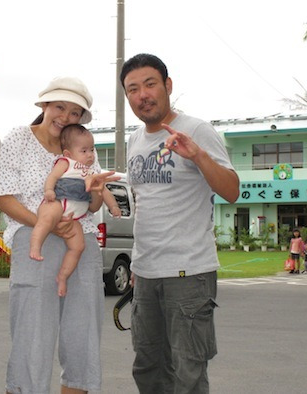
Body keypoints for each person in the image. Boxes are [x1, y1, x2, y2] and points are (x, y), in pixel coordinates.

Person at [0, 76, 116, 394]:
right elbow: (3, 196)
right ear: (44, 105)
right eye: (60, 107)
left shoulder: (82, 145)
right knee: (33, 331)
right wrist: (43, 224)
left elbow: (94, 202)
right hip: (34, 236)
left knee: (82, 331)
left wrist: (99, 192)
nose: (65, 116)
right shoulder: (19, 137)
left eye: (74, 112)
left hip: (81, 237)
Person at [121, 53, 239, 393]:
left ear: (167, 86)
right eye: (133, 89)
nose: (142, 94)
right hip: (145, 273)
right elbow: (146, 204)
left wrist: (198, 156)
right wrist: (136, 262)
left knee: (188, 375)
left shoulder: (197, 130)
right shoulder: (134, 140)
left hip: (189, 273)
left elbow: (231, 190)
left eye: (150, 84)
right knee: (148, 367)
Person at [30, 123, 121, 296]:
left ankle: (63, 277)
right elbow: (53, 177)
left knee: (78, 247)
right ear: (68, 153)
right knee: (47, 219)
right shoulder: (66, 163)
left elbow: (104, 190)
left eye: (92, 150)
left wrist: (113, 206)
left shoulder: (90, 172)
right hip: (57, 203)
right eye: (84, 150)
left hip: (75, 218)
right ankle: (35, 245)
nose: (90, 155)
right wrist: (49, 190)